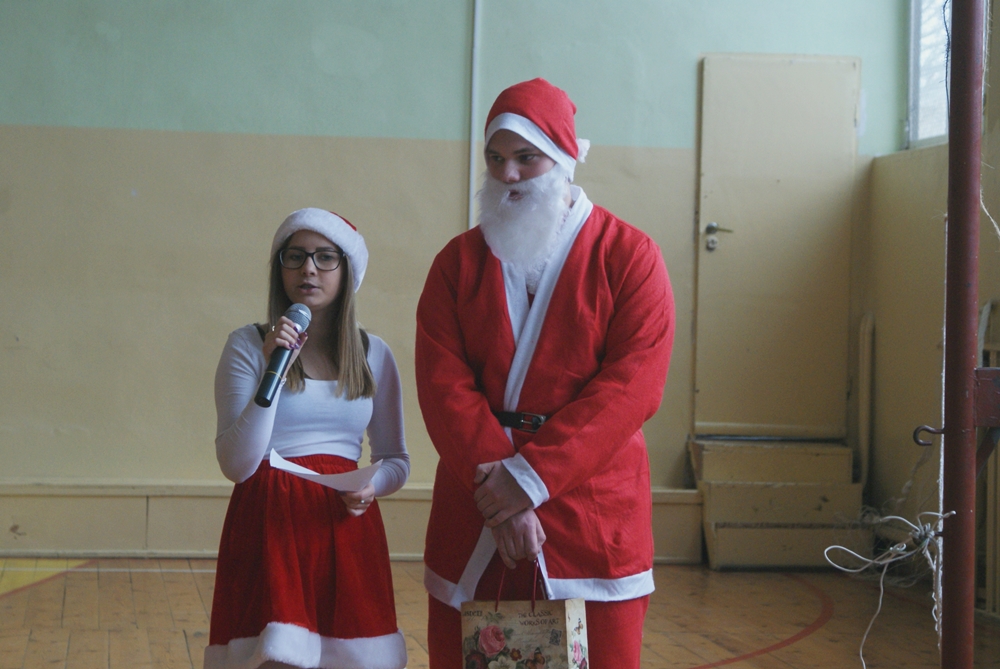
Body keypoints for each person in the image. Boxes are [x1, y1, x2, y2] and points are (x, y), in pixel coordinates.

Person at [415, 78, 675, 669]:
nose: (507, 174)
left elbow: (632, 387)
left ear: (562, 158)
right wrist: (502, 499)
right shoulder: (456, 265)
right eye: (495, 158)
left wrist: (528, 481)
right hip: (478, 501)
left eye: (525, 158)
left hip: (590, 505)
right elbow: (442, 386)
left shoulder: (629, 256)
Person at [206, 208, 409, 669]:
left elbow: (396, 459)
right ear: (280, 269)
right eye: (294, 256)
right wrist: (272, 369)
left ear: (347, 269)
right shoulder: (247, 344)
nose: (308, 269)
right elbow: (236, 464)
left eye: (324, 257)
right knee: (274, 656)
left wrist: (371, 486)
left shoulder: (374, 353)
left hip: (344, 527)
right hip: (269, 521)